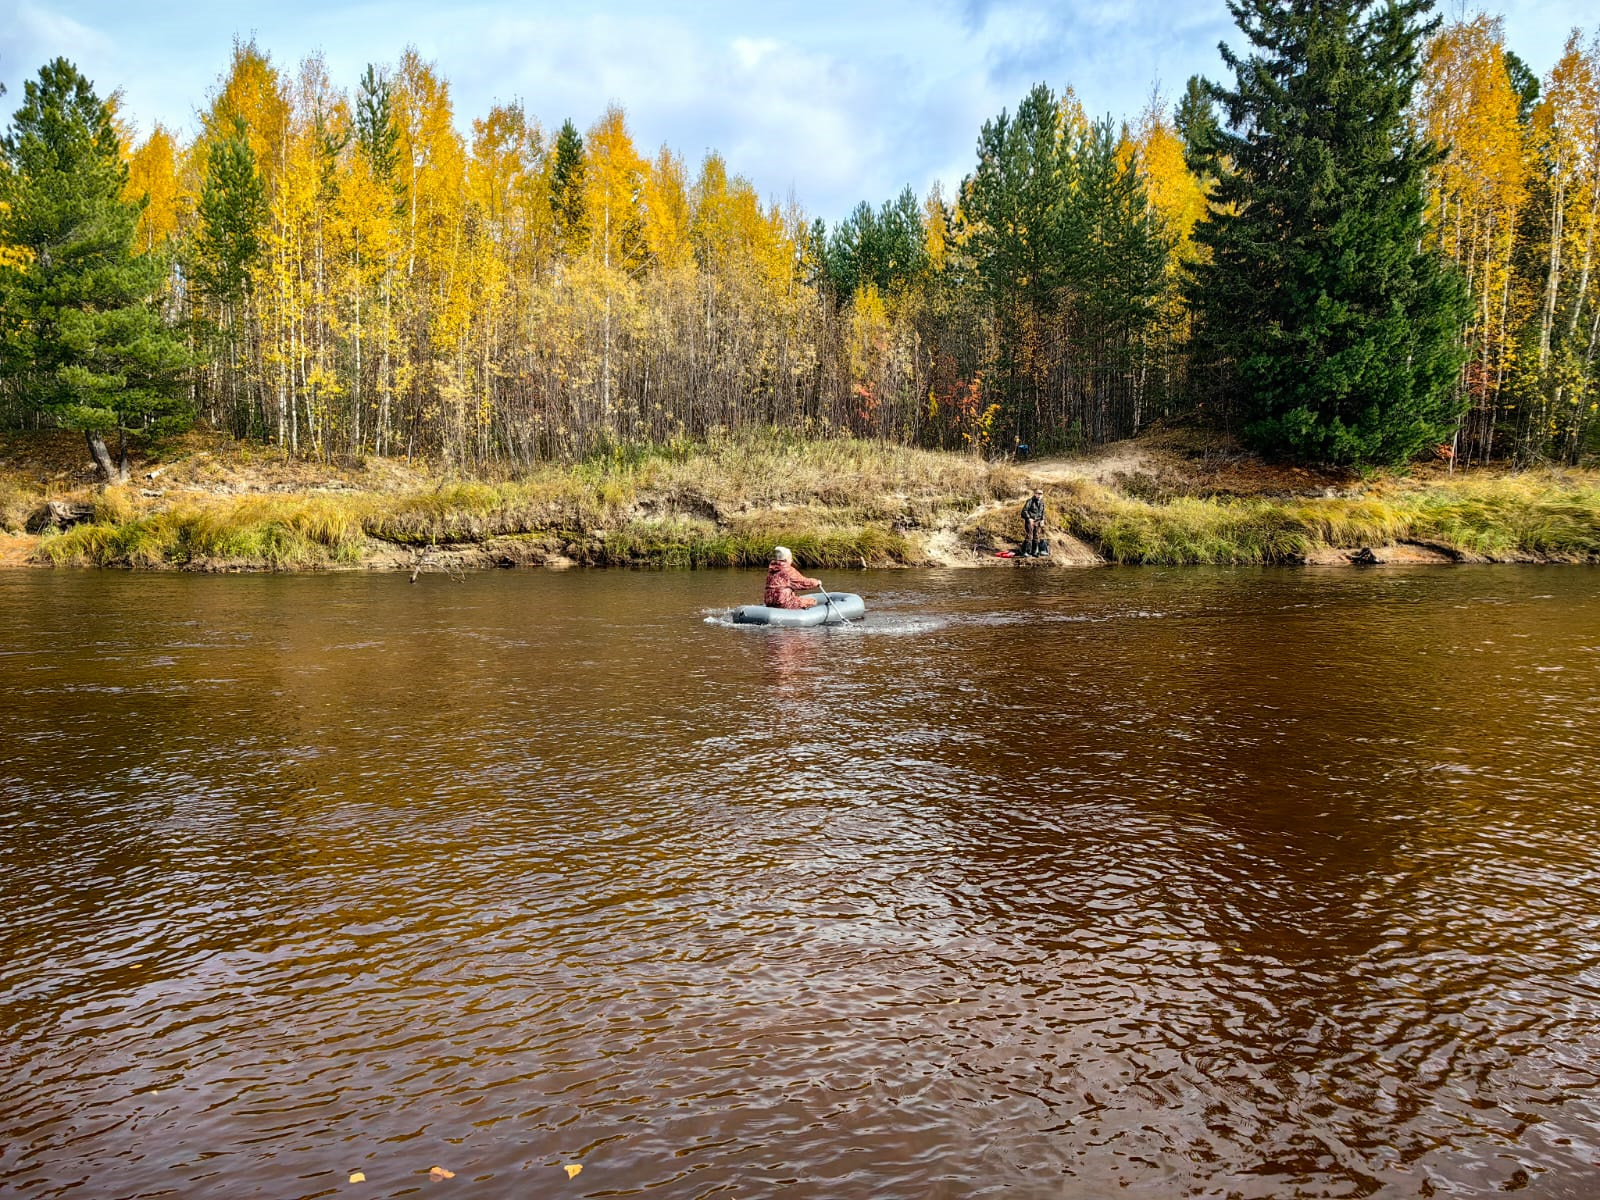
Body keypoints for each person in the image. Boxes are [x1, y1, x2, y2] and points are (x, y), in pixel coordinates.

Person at [1020, 488, 1046, 557]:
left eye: (1041, 494)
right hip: (1030, 521)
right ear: (1035, 494)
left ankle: (1034, 552)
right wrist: (1029, 518)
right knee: (1029, 535)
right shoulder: (1030, 501)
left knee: (1036, 536)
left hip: (1038, 521)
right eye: (1038, 494)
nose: (1039, 495)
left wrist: (1043, 520)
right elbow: (1024, 511)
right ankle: (1025, 552)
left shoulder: (1042, 503)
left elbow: (1043, 512)